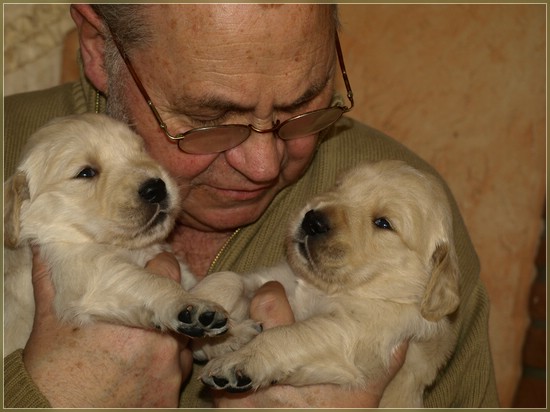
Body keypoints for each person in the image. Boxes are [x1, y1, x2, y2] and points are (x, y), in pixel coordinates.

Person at [3, 4, 499, 408]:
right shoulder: (16, 158)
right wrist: (47, 396)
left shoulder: (418, 211)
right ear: (97, 46)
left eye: (303, 106)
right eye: (209, 117)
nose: (263, 165)